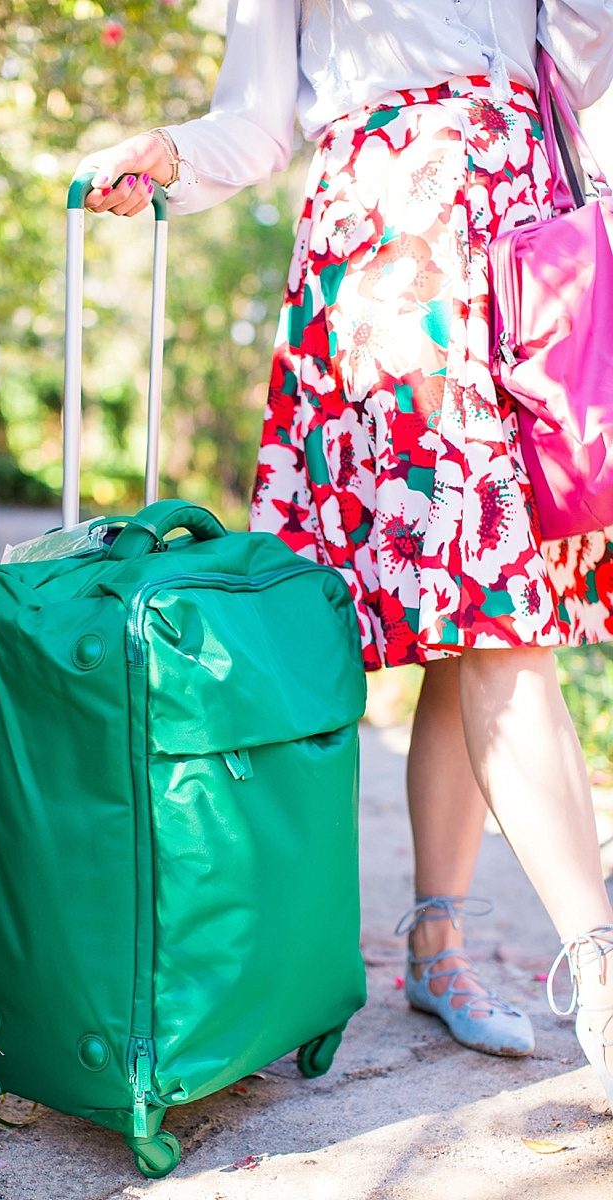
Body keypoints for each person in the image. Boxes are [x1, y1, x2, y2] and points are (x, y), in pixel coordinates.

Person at [76, 0, 613, 1100]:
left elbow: (579, 59)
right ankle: (599, 971)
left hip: (517, 242)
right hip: (390, 256)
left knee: (484, 624)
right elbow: (256, 123)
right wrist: (168, 152)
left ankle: (436, 948)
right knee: (499, 624)